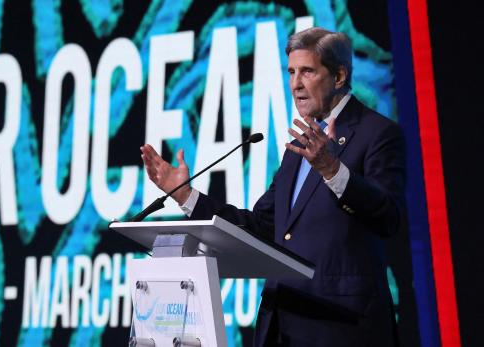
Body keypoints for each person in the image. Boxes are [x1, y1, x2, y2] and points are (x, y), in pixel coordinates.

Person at [141, 27, 406, 347]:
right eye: (291, 72)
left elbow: (389, 216)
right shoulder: (299, 148)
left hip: (340, 327)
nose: (295, 84)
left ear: (338, 76)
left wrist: (333, 170)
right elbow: (262, 226)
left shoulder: (377, 133)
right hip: (283, 326)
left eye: (307, 71)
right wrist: (185, 194)